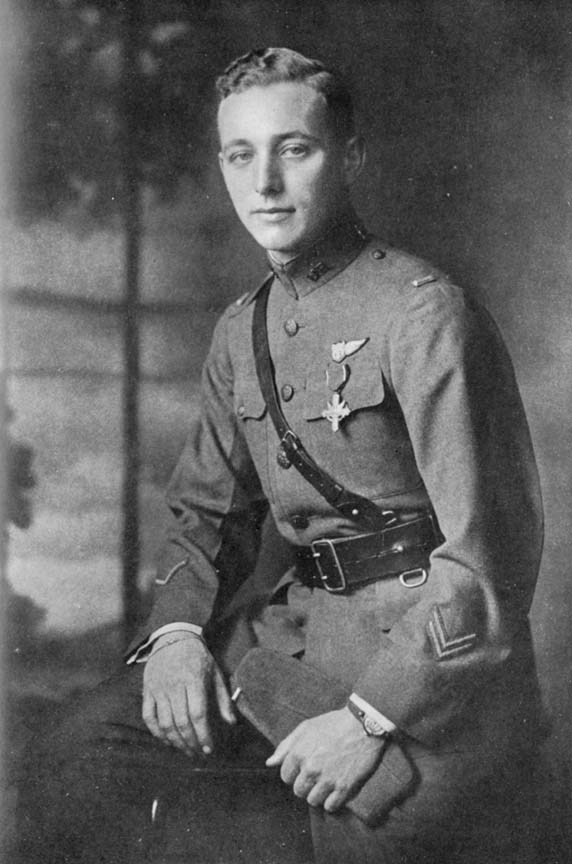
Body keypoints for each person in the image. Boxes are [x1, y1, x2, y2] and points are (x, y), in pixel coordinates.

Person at [16, 47, 545, 864]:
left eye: (294, 149)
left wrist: (370, 717)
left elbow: (490, 557)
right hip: (290, 634)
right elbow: (205, 513)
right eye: (240, 155)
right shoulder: (244, 328)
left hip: (426, 662)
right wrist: (179, 635)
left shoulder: (426, 315)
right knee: (72, 755)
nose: (264, 183)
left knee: (351, 840)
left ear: (351, 157)